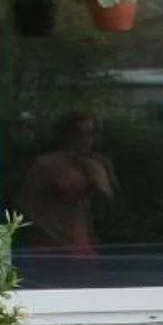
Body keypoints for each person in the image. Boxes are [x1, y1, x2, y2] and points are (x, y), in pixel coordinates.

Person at [17, 113, 117, 281]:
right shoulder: (47, 165)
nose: (86, 140)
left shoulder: (97, 165)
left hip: (83, 245)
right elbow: (27, 205)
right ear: (66, 135)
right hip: (53, 246)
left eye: (91, 134)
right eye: (80, 134)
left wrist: (98, 180)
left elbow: (108, 205)